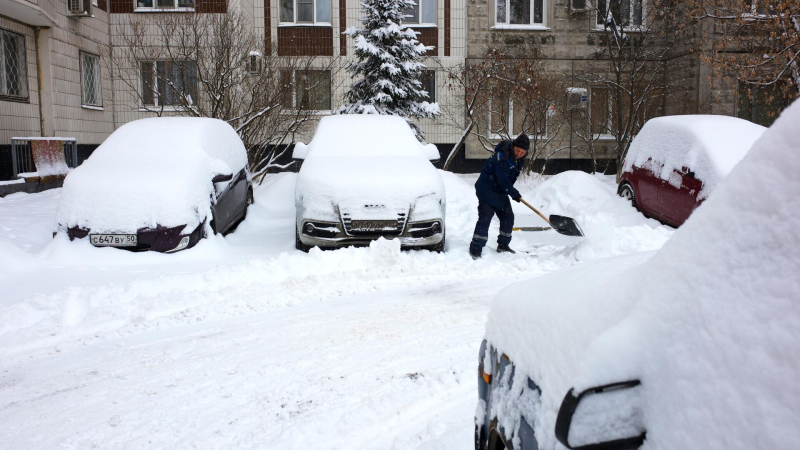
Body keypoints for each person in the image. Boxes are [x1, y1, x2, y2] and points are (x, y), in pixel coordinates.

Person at [469, 134, 529, 259]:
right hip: (487, 190)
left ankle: (503, 245)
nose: (519, 153)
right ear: (513, 146)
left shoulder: (517, 159)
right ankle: (476, 249)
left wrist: (510, 192)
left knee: (508, 217)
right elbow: (503, 181)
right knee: (485, 219)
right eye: (518, 150)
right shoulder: (503, 157)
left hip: (499, 191)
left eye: (522, 152)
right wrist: (514, 194)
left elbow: (506, 181)